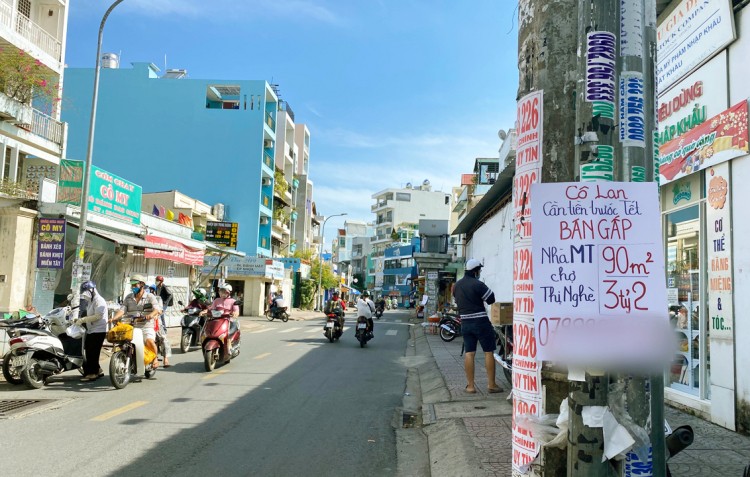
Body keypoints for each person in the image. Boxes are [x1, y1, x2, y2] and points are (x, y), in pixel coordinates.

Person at [452, 258, 502, 394]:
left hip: (465, 323)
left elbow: (457, 301)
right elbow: (491, 299)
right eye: (479, 269)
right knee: (488, 352)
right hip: (481, 322)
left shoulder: (456, 286)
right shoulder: (478, 284)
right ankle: (491, 385)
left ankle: (470, 386)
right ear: (475, 271)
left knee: (470, 353)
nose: (480, 271)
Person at [110, 274, 162, 368]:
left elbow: (156, 309)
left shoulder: (150, 296)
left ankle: (155, 359)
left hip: (146, 325)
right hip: (132, 325)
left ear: (142, 284)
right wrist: (114, 318)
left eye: (135, 285)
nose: (133, 287)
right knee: (125, 342)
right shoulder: (128, 297)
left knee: (149, 341)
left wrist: (150, 315)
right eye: (132, 285)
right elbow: (122, 309)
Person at [75, 280, 108, 382]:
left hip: (99, 330)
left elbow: (98, 316)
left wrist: (83, 320)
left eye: (87, 292)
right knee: (89, 350)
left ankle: (93, 373)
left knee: (93, 352)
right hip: (91, 330)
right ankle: (98, 370)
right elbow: (89, 314)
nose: (86, 295)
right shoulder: (91, 301)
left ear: (93, 290)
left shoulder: (99, 300)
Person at [203, 283, 240, 356]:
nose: (221, 293)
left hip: (228, 320)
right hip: (216, 320)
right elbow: (211, 308)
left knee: (228, 334)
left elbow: (236, 311)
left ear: (228, 292)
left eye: (224, 291)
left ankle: (229, 348)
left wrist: (235, 313)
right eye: (220, 291)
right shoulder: (216, 300)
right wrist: (205, 311)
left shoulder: (233, 301)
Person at [148, 284, 171, 367]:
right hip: (143, 322)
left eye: (150, 289)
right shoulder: (141, 298)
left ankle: (165, 358)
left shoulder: (158, 298)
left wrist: (155, 315)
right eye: (147, 289)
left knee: (163, 339)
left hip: (156, 322)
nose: (149, 291)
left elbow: (160, 310)